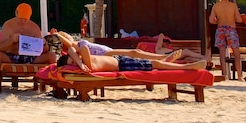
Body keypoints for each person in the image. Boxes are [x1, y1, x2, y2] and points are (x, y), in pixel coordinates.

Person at [0, 3, 56, 94]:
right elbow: (0, 47)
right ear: (16, 14)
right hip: (12, 56)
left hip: (30, 57)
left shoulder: (34, 28)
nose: (23, 21)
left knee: (52, 56)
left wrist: (44, 45)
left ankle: (56, 87)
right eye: (20, 18)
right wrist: (11, 40)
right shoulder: (8, 25)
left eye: (25, 19)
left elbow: (44, 50)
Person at [50, 30, 207, 63]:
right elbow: (68, 44)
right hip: (105, 56)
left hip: (106, 53)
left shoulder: (76, 44)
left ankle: (163, 58)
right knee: (134, 52)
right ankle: (163, 58)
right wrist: (56, 35)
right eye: (66, 35)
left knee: (135, 52)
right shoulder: (74, 46)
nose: (70, 36)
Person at [59, 43, 207, 73]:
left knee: (153, 61)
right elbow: (82, 48)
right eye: (72, 61)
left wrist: (76, 61)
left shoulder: (82, 62)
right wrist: (79, 62)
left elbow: (72, 49)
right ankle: (187, 67)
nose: (75, 59)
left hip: (119, 59)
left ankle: (166, 61)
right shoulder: (88, 65)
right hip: (122, 66)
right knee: (154, 64)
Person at [209, 0, 243, 81]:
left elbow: (211, 20)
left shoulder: (216, 6)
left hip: (220, 29)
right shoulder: (232, 6)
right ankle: (240, 76)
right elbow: (239, 19)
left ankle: (224, 75)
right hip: (230, 28)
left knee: (222, 53)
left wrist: (218, 20)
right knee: (236, 53)